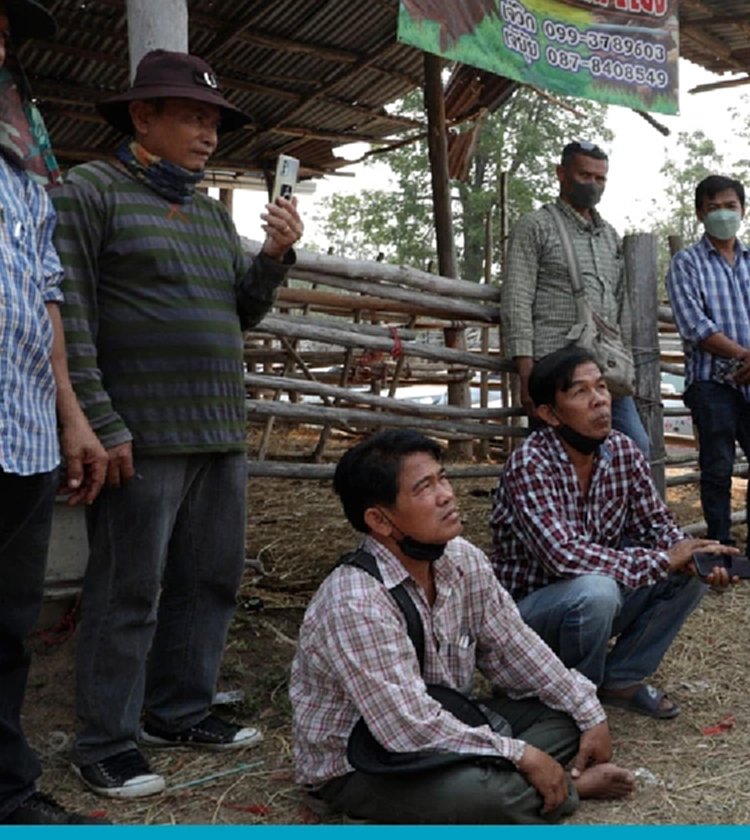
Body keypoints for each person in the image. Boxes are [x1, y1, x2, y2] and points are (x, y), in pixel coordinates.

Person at [53, 49, 304, 798]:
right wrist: (99, 418)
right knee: (128, 590)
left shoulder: (207, 213)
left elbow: (239, 312)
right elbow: (70, 314)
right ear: (142, 116)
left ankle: (179, 709)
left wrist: (272, 255)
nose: (208, 133)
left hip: (217, 428)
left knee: (210, 578)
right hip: (142, 431)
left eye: (214, 120)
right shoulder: (89, 191)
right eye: (192, 116)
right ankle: (104, 740)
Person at [290, 429, 636, 823]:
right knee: (487, 800)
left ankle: (507, 780)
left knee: (565, 718)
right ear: (379, 520)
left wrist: (589, 712)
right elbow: (407, 729)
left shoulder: (462, 561)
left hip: (447, 720)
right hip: (363, 760)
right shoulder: (354, 601)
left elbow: (516, 646)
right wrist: (521, 754)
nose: (446, 495)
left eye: (443, 478)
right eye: (424, 488)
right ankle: (568, 787)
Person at [491, 347, 736, 720]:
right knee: (598, 590)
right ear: (549, 414)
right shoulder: (530, 463)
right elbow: (563, 557)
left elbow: (657, 525)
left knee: (689, 571)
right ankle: (571, 697)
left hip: (587, 608)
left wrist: (695, 554)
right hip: (527, 622)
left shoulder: (623, 451)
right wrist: (664, 559)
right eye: (580, 392)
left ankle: (620, 679)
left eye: (601, 387)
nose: (600, 401)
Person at [0, 0, 110, 824]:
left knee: (7, 624)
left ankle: (9, 791)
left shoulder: (22, 162)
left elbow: (45, 294)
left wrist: (71, 413)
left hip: (25, 425)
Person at [665, 174, 750, 585]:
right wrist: (746, 355)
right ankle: (720, 553)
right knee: (717, 467)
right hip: (712, 382)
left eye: (731, 206)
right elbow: (695, 326)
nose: (724, 213)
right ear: (701, 212)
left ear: (742, 210)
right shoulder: (686, 263)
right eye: (715, 207)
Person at [500, 140, 648, 453]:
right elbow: (517, 301)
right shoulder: (536, 226)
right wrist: (526, 376)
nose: (593, 184)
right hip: (555, 372)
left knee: (635, 447)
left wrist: (624, 363)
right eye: (585, 175)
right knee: (558, 459)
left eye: (600, 178)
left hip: (602, 372)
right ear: (561, 174)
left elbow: (620, 305)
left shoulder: (609, 236)